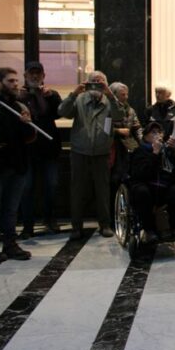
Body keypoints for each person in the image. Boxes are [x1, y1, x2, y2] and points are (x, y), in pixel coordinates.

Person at [59, 70, 123, 240]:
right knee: (77, 190)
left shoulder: (109, 101)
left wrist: (110, 95)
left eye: (100, 82)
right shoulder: (79, 99)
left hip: (101, 152)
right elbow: (62, 112)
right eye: (93, 81)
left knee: (103, 190)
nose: (96, 85)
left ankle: (105, 225)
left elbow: (119, 115)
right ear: (87, 83)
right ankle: (76, 227)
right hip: (79, 151)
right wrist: (73, 94)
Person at [0, 68, 35, 262]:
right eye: (10, 81)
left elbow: (29, 138)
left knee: (11, 209)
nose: (16, 84)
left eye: (16, 80)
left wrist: (26, 123)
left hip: (16, 165)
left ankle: (10, 244)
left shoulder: (19, 106)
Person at [18, 61, 62, 237]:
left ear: (44, 76)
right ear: (25, 75)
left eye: (38, 73)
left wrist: (50, 97)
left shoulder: (51, 94)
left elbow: (59, 113)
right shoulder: (18, 96)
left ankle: (50, 219)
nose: (35, 76)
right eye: (31, 73)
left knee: (52, 185)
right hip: (27, 151)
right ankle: (27, 225)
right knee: (26, 188)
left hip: (49, 150)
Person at [128, 122, 175, 243]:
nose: (157, 135)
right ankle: (149, 230)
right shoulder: (140, 151)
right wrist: (155, 153)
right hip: (146, 187)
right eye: (153, 132)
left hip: (164, 188)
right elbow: (142, 174)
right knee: (141, 192)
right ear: (145, 137)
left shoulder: (168, 151)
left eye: (159, 132)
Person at [109, 82, 142, 220]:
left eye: (127, 94)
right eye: (123, 95)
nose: (126, 97)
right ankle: (111, 217)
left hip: (128, 148)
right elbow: (103, 129)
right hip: (112, 149)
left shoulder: (130, 110)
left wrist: (143, 143)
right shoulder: (107, 109)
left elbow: (137, 127)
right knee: (113, 182)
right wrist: (118, 131)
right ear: (114, 95)